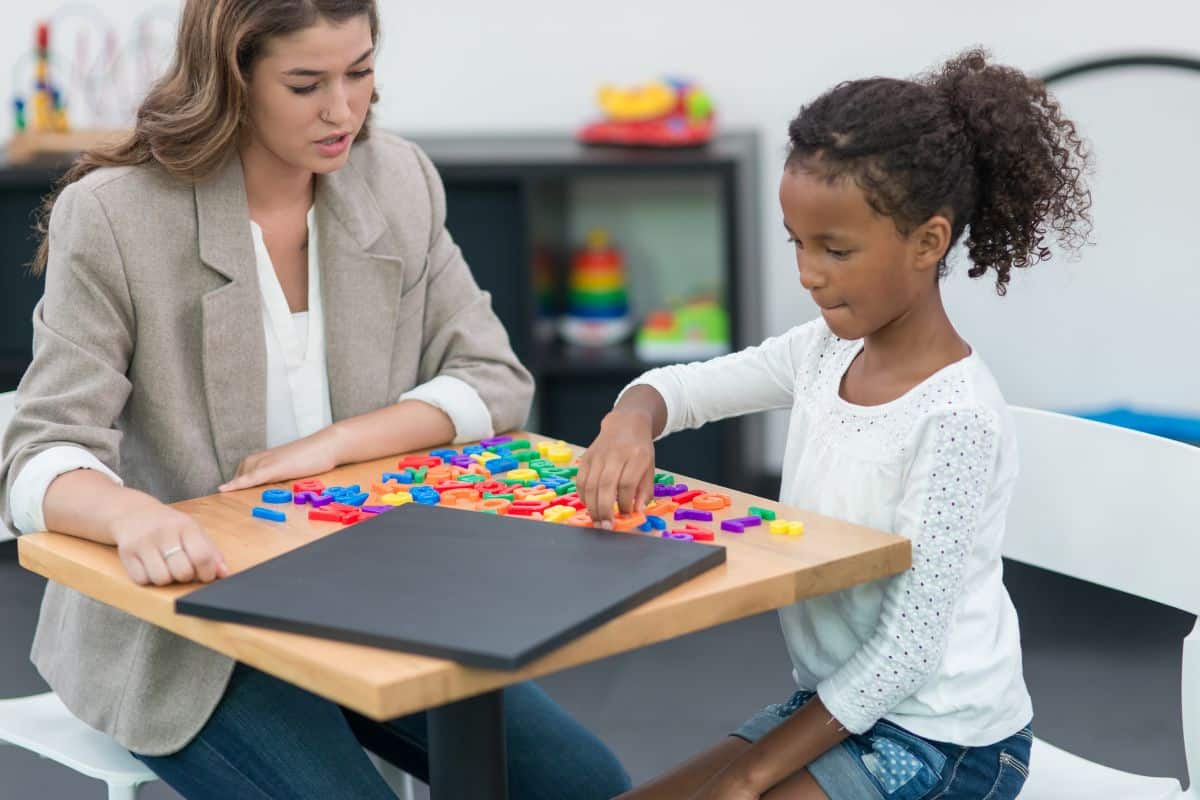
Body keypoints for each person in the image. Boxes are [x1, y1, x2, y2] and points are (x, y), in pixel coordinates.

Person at [0, 1, 631, 797]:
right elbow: (37, 448)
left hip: (370, 594)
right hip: (187, 632)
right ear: (232, 80)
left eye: (360, 72)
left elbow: (494, 378)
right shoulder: (119, 215)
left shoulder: (394, 177)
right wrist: (134, 516)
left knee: (589, 784)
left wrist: (338, 443)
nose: (343, 110)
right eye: (306, 84)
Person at [576, 48, 1092, 800]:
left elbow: (910, 653)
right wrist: (631, 419)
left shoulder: (957, 420)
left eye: (835, 249)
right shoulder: (820, 354)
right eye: (797, 241)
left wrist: (754, 772)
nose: (808, 272)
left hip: (946, 739)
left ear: (927, 242)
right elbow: (679, 390)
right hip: (842, 707)